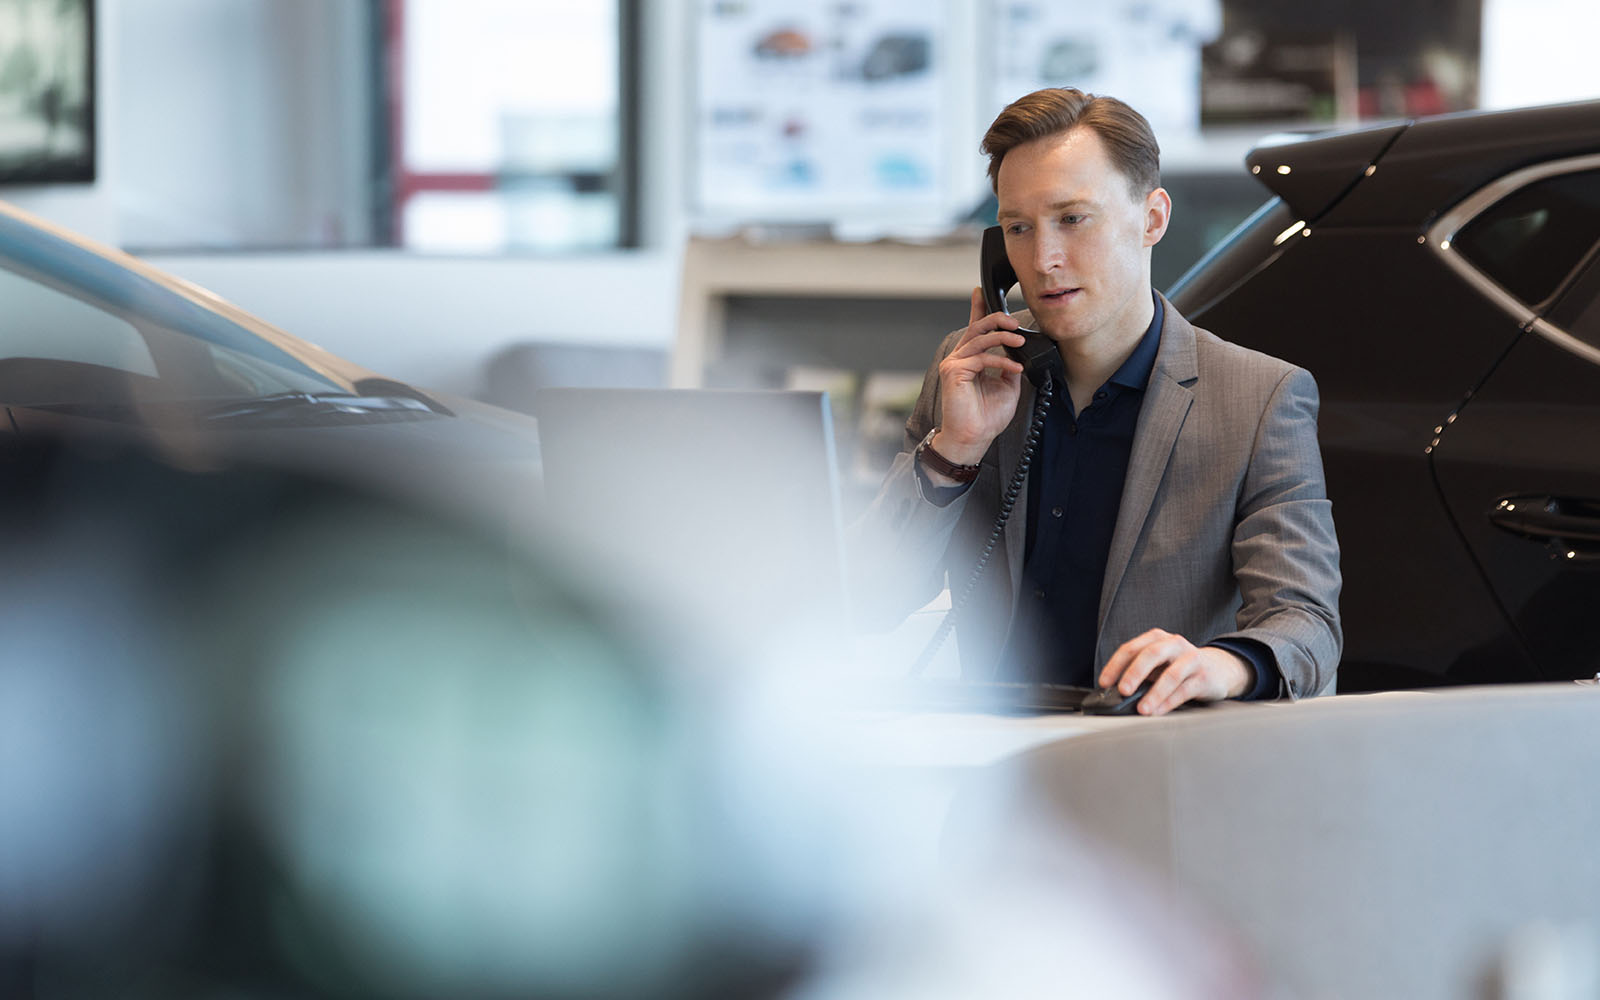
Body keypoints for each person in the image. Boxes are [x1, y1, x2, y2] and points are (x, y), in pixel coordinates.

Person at [850, 88, 1341, 714]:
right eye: (1018, 229)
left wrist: (1218, 665)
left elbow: (1307, 624)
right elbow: (868, 599)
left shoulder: (1259, 398)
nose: (1044, 260)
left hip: (1154, 762)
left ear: (1152, 219)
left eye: (1073, 219)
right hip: (999, 770)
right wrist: (957, 450)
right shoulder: (970, 372)